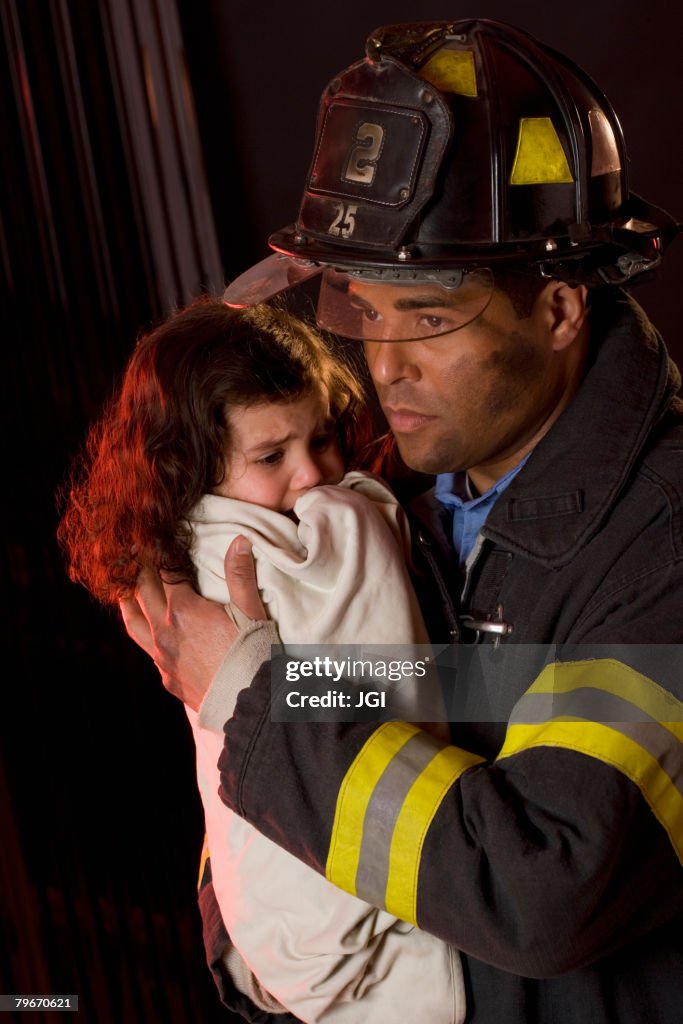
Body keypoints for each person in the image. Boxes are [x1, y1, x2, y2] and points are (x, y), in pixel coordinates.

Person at [120, 18, 682, 1024]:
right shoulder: (397, 505)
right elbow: (343, 745)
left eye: (427, 317)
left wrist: (253, 700)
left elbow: (542, 884)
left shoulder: (661, 542)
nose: (384, 365)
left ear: (557, 308)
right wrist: (259, 951)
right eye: (364, 309)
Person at [57, 296, 464, 1024]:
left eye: (322, 439)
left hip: (272, 945)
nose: (310, 477)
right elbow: (384, 687)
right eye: (271, 457)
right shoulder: (270, 541)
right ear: (190, 471)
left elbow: (365, 689)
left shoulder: (175, 556)